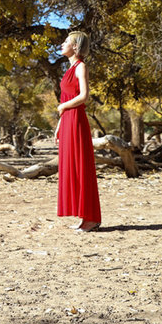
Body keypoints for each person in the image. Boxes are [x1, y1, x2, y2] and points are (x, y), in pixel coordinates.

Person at [54, 31, 102, 232]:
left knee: (81, 166)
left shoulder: (81, 67)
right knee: (71, 167)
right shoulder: (69, 69)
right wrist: (59, 123)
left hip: (76, 120)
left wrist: (63, 108)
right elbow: (67, 98)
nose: (62, 44)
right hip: (68, 120)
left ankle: (91, 218)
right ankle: (84, 217)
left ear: (75, 47)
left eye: (66, 41)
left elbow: (84, 96)